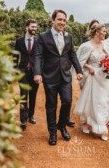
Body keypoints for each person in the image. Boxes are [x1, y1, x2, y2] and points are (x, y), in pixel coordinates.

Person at [33, 9, 83, 146]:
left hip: (65, 77)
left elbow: (72, 55)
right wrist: (37, 73)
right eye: (59, 19)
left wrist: (79, 70)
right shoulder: (43, 36)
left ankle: (61, 126)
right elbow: (37, 56)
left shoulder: (68, 36)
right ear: (53, 21)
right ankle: (53, 133)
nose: (62, 22)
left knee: (67, 102)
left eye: (64, 20)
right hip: (49, 76)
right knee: (51, 106)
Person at [74, 23, 109, 141]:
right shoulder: (86, 46)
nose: (105, 33)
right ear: (97, 32)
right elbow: (79, 61)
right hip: (91, 77)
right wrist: (89, 67)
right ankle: (85, 123)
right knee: (90, 101)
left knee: (102, 101)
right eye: (103, 31)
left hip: (103, 77)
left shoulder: (106, 46)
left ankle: (101, 126)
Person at [14, 19, 39, 131]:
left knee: (33, 95)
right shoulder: (19, 41)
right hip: (22, 71)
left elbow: (40, 57)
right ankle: (23, 119)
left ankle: (31, 116)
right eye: (33, 27)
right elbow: (15, 55)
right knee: (24, 95)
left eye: (35, 27)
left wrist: (40, 71)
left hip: (34, 72)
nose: (35, 29)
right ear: (27, 27)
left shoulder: (38, 41)